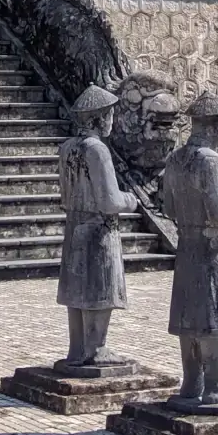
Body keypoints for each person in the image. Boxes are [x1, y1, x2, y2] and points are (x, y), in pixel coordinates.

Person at [163, 90, 218, 411]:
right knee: (216, 314)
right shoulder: (211, 161)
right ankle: (215, 382)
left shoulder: (176, 158)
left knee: (190, 314)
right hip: (213, 247)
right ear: (217, 125)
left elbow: (168, 206)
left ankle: (191, 381)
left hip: (187, 245)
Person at [55, 84, 136, 370]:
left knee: (77, 291)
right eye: (110, 114)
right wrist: (131, 201)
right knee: (100, 289)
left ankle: (77, 348)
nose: (112, 120)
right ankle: (97, 347)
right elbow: (109, 199)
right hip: (98, 227)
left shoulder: (67, 147)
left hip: (75, 224)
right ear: (101, 117)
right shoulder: (97, 149)